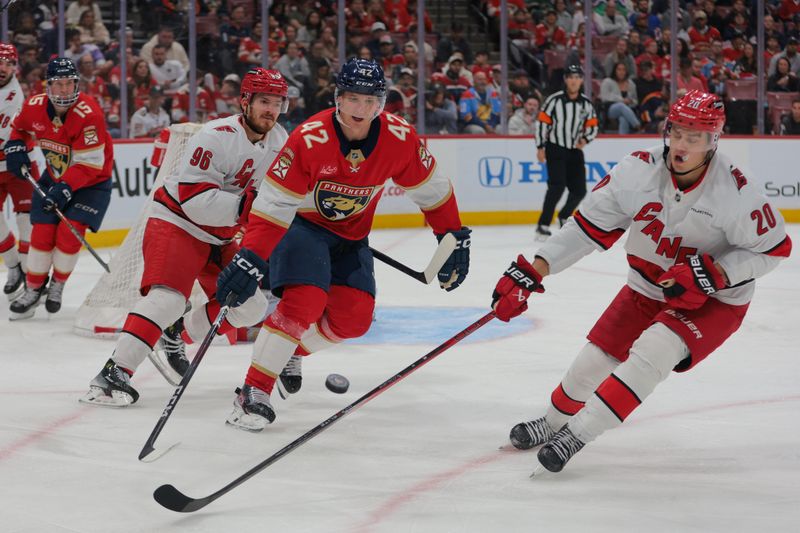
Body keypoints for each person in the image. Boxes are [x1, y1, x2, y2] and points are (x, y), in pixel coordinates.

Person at [492, 90, 792, 475]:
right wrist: (533, 270)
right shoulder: (636, 170)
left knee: (654, 349)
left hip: (715, 300)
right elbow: (585, 229)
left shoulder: (736, 190)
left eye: (694, 137)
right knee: (592, 362)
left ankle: (576, 435)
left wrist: (714, 273)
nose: (682, 145)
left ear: (713, 141)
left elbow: (774, 248)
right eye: (678, 132)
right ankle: (551, 423)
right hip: (647, 286)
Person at [215, 58, 471, 431]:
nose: (361, 110)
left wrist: (452, 237)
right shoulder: (309, 138)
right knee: (305, 300)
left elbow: (433, 190)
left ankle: (290, 353)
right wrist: (252, 256)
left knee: (354, 318)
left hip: (351, 237)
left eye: (371, 101)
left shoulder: (399, 138)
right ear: (338, 98)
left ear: (381, 103)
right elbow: (273, 204)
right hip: (302, 227)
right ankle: (254, 391)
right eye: (354, 99)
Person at [80, 69, 291, 407]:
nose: (271, 110)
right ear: (245, 101)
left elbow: (281, 193)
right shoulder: (216, 136)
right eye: (264, 101)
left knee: (251, 305)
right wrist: (246, 206)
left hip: (219, 237)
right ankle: (113, 372)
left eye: (278, 103)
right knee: (168, 298)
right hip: (177, 222)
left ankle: (175, 332)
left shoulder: (279, 140)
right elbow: (195, 201)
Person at [3, 57, 113, 320]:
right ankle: (33, 289)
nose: (64, 90)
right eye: (58, 84)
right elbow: (18, 129)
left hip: (91, 184)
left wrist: (65, 187)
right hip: (55, 179)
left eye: (69, 83)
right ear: (47, 86)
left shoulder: (90, 114)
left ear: (76, 84)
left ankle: (58, 285)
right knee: (41, 234)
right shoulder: (34, 106)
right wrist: (16, 146)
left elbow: (89, 165)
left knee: (68, 233)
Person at [535, 64, 598, 240]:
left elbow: (593, 126)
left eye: (577, 77)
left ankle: (564, 216)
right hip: (555, 147)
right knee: (557, 186)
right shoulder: (554, 100)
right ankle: (543, 225)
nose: (574, 80)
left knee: (580, 191)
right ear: (565, 79)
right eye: (570, 77)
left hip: (574, 150)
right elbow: (542, 123)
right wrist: (540, 146)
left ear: (581, 80)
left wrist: (585, 140)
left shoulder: (586, 103)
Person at [0, 43, 32, 302]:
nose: (3, 68)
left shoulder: (14, 96)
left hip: (18, 162)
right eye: (0, 62)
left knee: (26, 222)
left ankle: (28, 274)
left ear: (15, 67)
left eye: (8, 63)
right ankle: (13, 268)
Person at [600, 62, 641, 134]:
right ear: (615, 71)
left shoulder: (631, 83)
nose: (621, 72)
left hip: (628, 109)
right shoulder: (607, 82)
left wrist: (631, 101)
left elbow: (635, 101)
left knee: (623, 118)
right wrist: (622, 100)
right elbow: (605, 97)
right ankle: (637, 126)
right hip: (610, 109)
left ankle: (623, 138)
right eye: (619, 70)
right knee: (621, 106)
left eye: (623, 70)